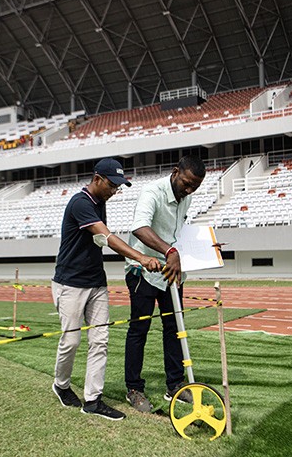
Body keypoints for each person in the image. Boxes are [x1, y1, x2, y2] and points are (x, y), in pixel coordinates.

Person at [51, 158, 162, 421]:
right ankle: (61, 385)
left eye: (118, 187)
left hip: (96, 283)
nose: (114, 191)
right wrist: (141, 258)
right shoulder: (80, 203)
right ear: (97, 179)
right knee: (71, 341)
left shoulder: (100, 202)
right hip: (70, 283)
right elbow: (107, 238)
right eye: (112, 185)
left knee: (100, 341)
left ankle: (93, 400)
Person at [123, 155, 206, 412]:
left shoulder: (186, 197)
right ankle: (134, 388)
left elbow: (177, 232)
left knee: (174, 328)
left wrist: (205, 247)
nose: (189, 190)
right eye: (186, 184)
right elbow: (139, 227)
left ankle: (175, 385)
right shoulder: (152, 192)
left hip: (171, 271)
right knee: (139, 329)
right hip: (143, 270)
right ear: (175, 171)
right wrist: (169, 251)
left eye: (195, 187)